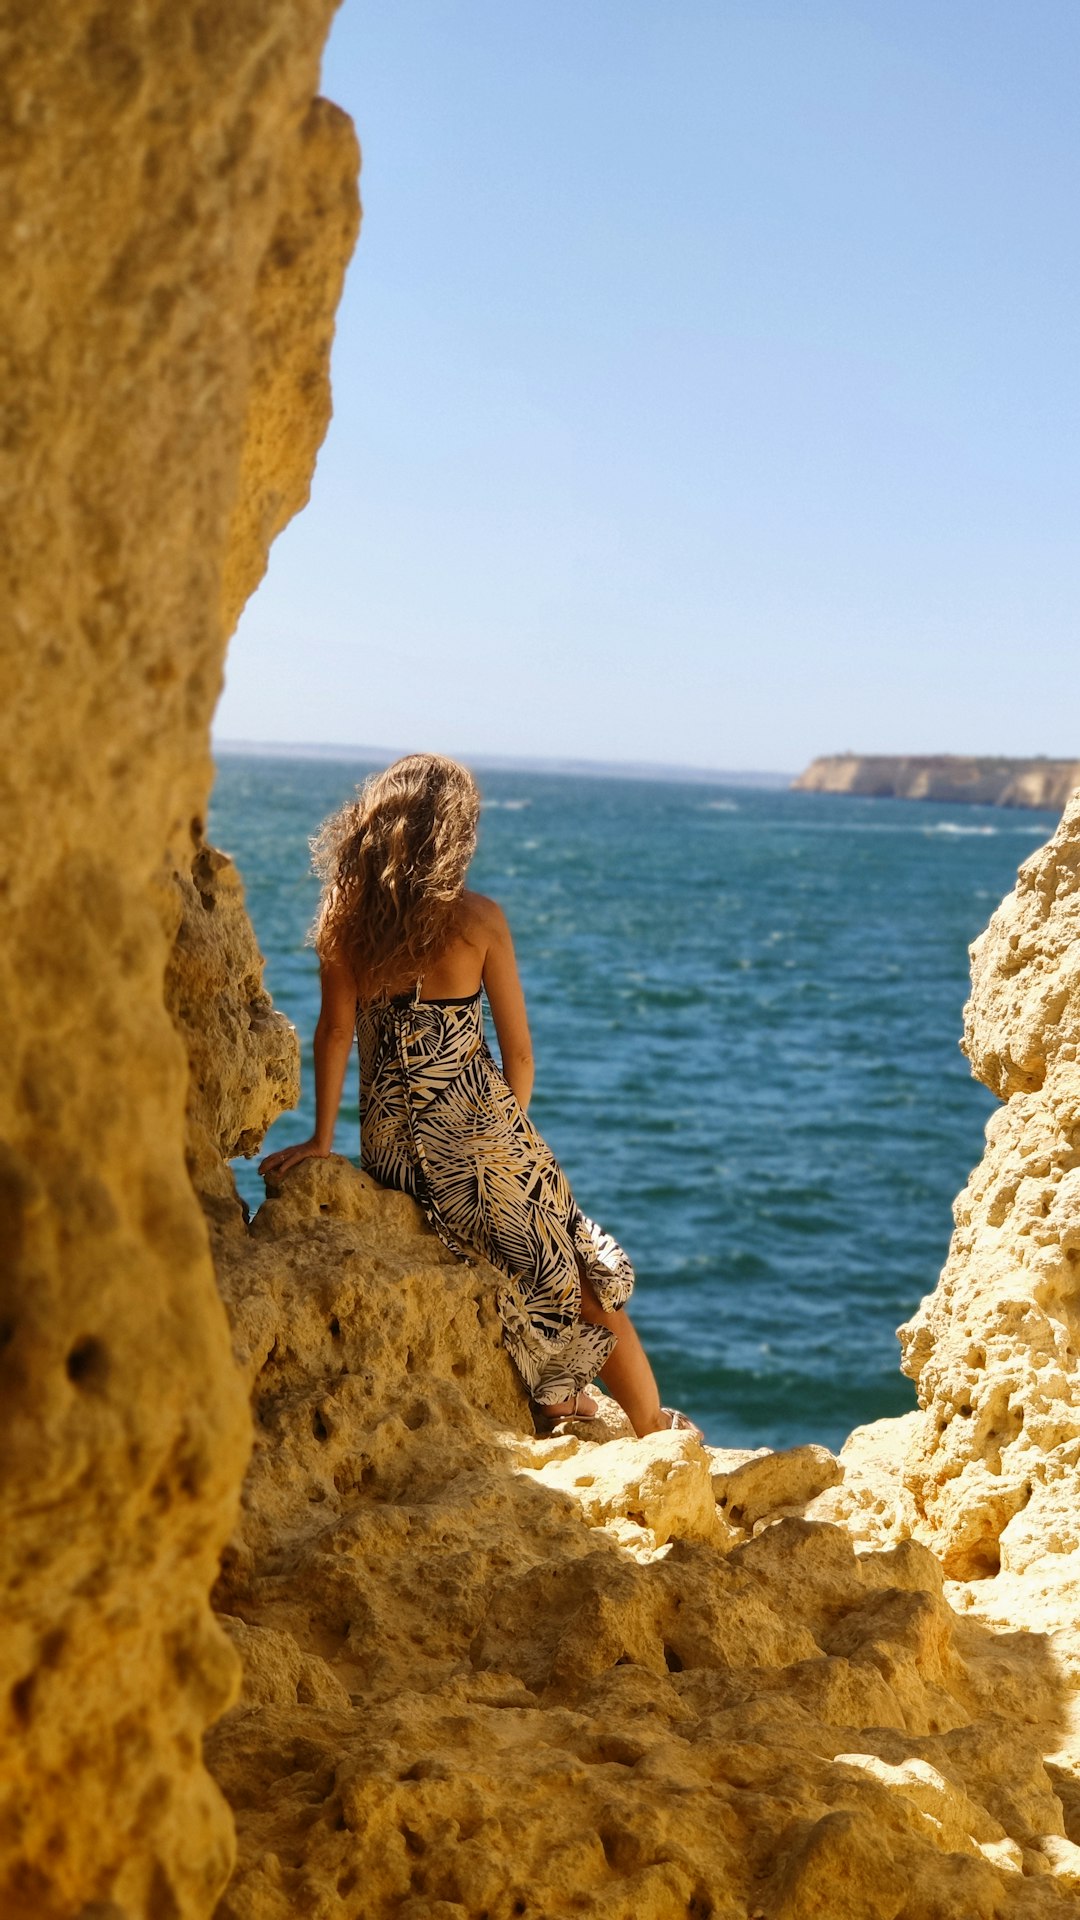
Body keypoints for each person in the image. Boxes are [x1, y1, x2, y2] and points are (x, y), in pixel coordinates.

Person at [259, 753, 698, 1439]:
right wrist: (505, 1142)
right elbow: (519, 1054)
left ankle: (560, 1398)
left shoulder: (345, 920)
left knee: (498, 1265)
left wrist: (322, 1140)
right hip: (477, 1139)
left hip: (391, 1150)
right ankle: (651, 1426)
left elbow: (336, 1030)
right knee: (576, 1270)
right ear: (454, 833)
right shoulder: (478, 920)